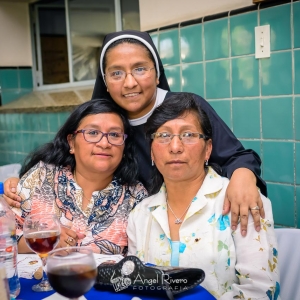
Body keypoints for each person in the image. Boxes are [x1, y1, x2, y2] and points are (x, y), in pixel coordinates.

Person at [6, 30, 264, 236]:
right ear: (105, 80)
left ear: (157, 71)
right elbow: (68, 165)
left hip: (205, 225)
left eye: (140, 69)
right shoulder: (107, 123)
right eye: (117, 73)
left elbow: (236, 156)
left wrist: (243, 176)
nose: (130, 83)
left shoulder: (186, 109)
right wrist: (21, 186)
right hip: (145, 234)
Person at [126, 93, 280, 299]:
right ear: (152, 153)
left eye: (188, 135)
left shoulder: (241, 201)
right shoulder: (140, 214)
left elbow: (261, 290)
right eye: (163, 136)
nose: (175, 147)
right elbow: (135, 286)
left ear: (208, 149)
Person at [12, 99, 147, 255]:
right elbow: (5, 237)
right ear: (71, 143)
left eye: (115, 134)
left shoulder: (136, 198)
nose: (104, 143)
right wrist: (44, 241)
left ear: (124, 146)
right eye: (93, 133)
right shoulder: (41, 177)